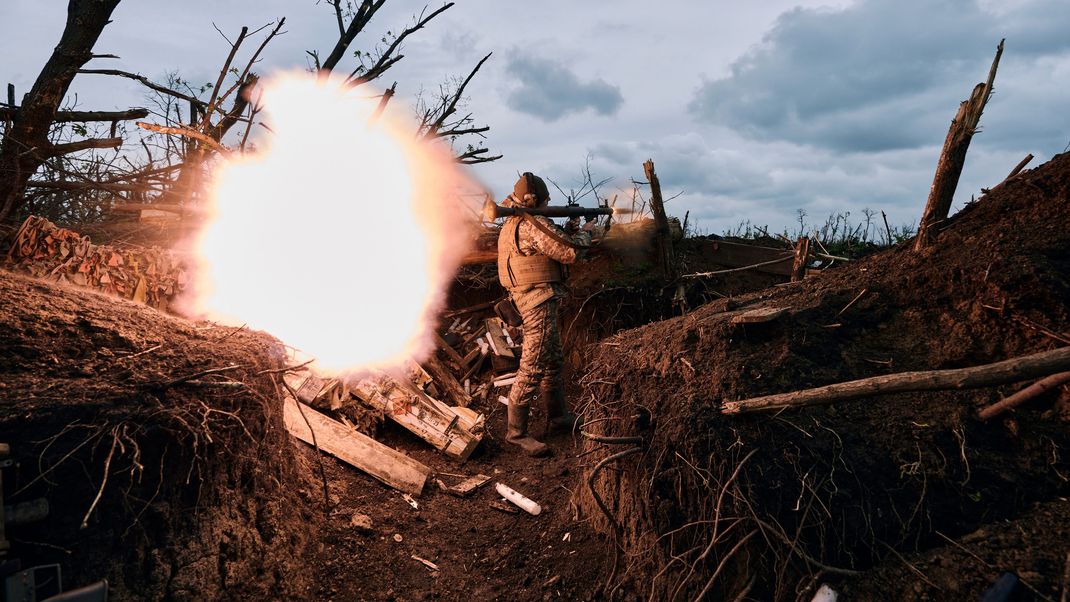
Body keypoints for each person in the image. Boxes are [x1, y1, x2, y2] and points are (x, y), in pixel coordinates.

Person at [497, 172, 591, 456]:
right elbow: (570, 252)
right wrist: (587, 232)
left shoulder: (513, 222)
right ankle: (516, 433)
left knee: (552, 360)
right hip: (537, 301)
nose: (549, 203)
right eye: (546, 200)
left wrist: (570, 228)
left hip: (531, 298)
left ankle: (559, 417)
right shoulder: (531, 223)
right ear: (535, 199)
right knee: (534, 364)